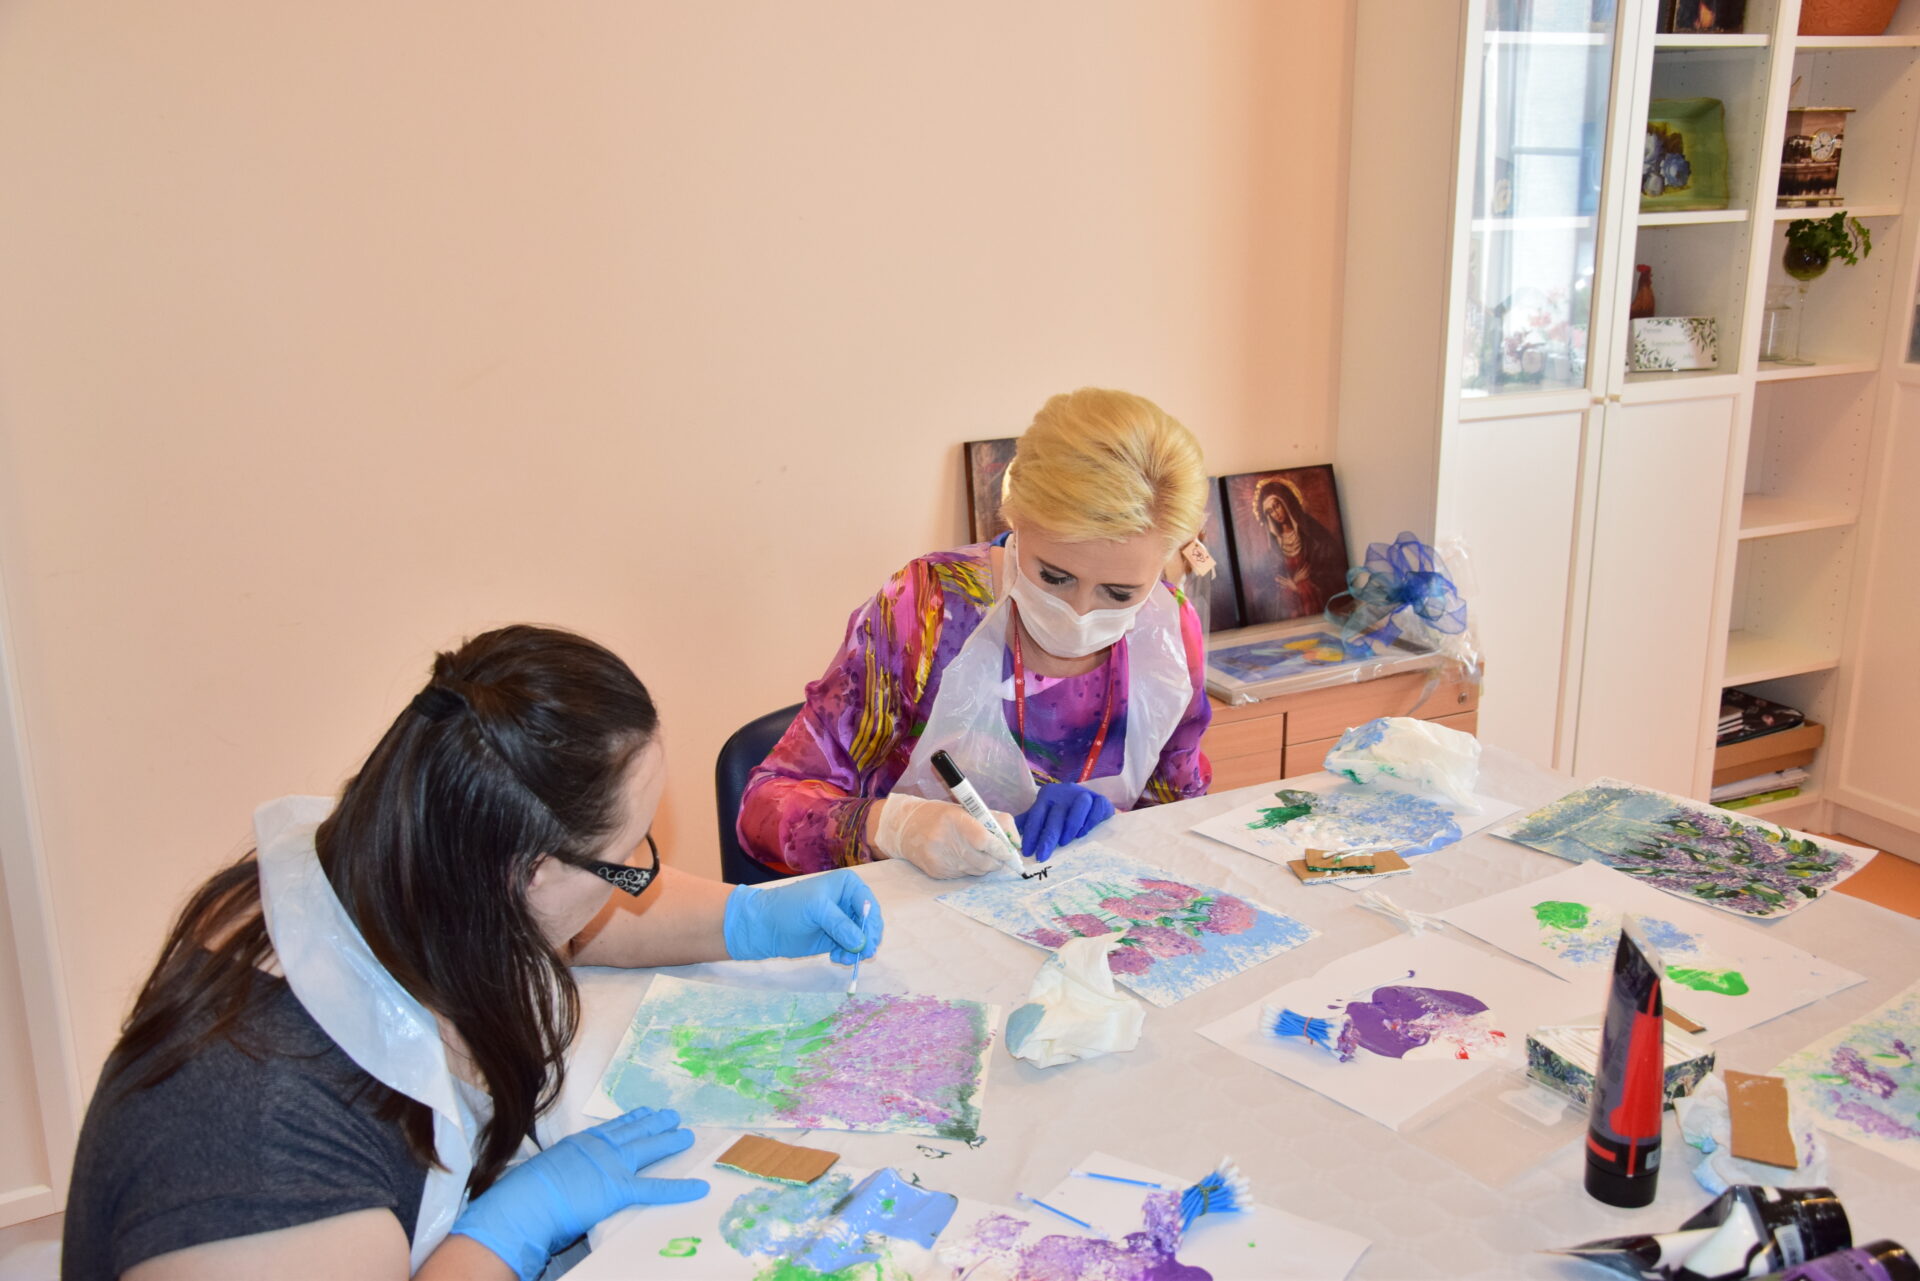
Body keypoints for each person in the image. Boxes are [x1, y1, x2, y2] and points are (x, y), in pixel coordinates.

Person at [62, 625, 882, 1281]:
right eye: (626, 860)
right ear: (525, 871)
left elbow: (574, 915)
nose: (638, 883)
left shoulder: (400, 864)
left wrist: (750, 917)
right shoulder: (265, 1150)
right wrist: (505, 1235)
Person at [739, 388, 1213, 879]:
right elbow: (763, 809)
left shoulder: (1169, 636)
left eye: (1119, 593)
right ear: (1015, 519)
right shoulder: (929, 608)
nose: (1078, 614)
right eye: (1054, 577)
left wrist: (1117, 826)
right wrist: (894, 827)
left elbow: (1180, 814)